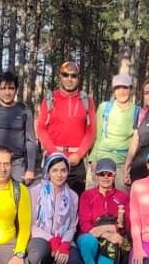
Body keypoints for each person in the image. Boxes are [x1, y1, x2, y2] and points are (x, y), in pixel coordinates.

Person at [37, 61, 96, 196]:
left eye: (73, 75)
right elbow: (41, 128)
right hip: (53, 159)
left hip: (76, 162)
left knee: (75, 202)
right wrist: (54, 152)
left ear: (78, 78)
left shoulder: (87, 100)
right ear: (60, 76)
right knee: (50, 202)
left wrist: (79, 154)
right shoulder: (50, 99)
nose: (69, 79)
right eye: (65, 75)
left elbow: (91, 131)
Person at [0, 71, 37, 184]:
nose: (7, 92)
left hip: (16, 164)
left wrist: (30, 169)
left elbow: (30, 141)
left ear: (16, 90)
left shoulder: (24, 111)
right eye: (3, 88)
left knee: (16, 194)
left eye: (11, 88)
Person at [27, 153, 81, 264]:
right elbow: (31, 224)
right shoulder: (35, 192)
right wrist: (51, 240)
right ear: (48, 172)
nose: (59, 175)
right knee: (37, 255)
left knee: (74, 260)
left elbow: (72, 226)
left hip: (64, 240)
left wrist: (65, 244)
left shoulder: (73, 196)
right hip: (41, 237)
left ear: (68, 172)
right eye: (55, 170)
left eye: (63, 170)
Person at [76, 158, 130, 264]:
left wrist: (112, 229)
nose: (105, 177)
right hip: (90, 235)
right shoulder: (87, 195)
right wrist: (106, 233)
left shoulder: (123, 197)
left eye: (109, 174)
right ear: (97, 176)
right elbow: (84, 224)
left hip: (112, 240)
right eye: (102, 174)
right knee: (88, 241)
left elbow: (125, 224)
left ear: (114, 176)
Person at [89, 74, 137, 190]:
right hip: (101, 160)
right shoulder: (104, 108)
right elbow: (97, 136)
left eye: (125, 87)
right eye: (117, 88)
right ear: (114, 91)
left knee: (121, 198)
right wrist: (92, 160)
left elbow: (134, 141)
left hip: (122, 165)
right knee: (93, 197)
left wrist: (128, 166)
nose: (121, 91)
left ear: (131, 90)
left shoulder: (137, 111)